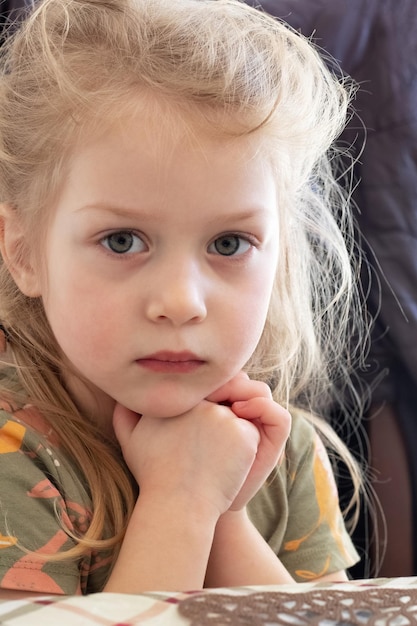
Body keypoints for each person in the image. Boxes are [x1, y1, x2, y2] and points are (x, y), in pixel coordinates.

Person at [0, 0, 365, 597]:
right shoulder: (16, 451)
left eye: (229, 242)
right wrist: (182, 502)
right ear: (23, 252)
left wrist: (224, 515)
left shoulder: (282, 448)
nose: (181, 302)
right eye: (122, 241)